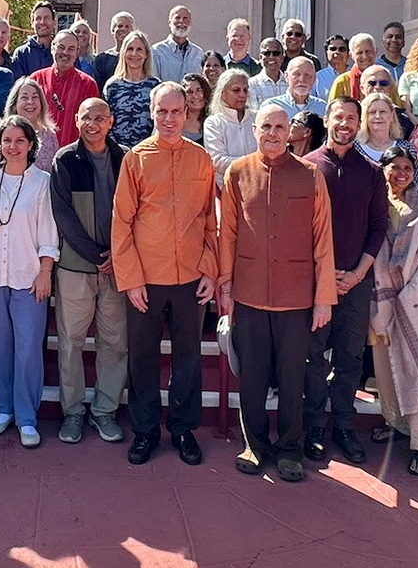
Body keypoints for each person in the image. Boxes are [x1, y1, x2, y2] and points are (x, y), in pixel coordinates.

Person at [218, 102, 336, 481]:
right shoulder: (238, 172)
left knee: (291, 378)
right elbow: (228, 233)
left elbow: (323, 240)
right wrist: (225, 286)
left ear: (290, 133)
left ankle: (289, 449)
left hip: (296, 297)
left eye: (280, 127)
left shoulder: (310, 175)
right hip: (249, 293)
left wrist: (323, 299)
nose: (272, 134)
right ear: (254, 130)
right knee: (252, 378)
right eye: (266, 126)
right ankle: (254, 445)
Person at [112, 83, 219, 466]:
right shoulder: (135, 160)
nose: (169, 119)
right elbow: (121, 222)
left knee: (187, 357)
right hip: (147, 278)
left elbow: (209, 220)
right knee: (142, 358)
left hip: (190, 277)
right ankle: (145, 432)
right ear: (151, 112)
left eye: (176, 112)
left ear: (187, 113)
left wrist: (210, 269)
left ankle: (183, 429)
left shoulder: (201, 159)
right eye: (162, 111)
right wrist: (131, 279)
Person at [302, 96, 389, 465]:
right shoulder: (306, 166)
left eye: (352, 118)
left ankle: (343, 424)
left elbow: (378, 227)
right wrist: (320, 276)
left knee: (349, 357)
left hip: (355, 280)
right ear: (327, 119)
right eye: (339, 116)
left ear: (359, 124)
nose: (345, 123)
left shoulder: (371, 171)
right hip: (313, 282)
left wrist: (357, 273)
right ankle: (313, 426)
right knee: (312, 356)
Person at [0, 116, 60, 448]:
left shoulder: (42, 181)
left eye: (19, 140)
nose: (13, 146)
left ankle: (26, 417)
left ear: (30, 144)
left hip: (28, 278)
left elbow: (48, 231)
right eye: (7, 140)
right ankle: (3, 409)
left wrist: (45, 271)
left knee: (27, 349)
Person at [50, 97, 129, 445]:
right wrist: (97, 255)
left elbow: (136, 210)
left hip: (118, 267)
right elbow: (63, 215)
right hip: (76, 267)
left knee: (115, 342)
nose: (93, 125)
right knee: (71, 342)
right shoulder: (65, 159)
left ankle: (104, 411)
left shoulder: (125, 158)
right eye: (86, 118)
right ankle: (72, 412)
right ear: (77, 121)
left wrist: (117, 253)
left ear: (110, 121)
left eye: (99, 118)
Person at [366, 143, 418, 474]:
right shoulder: (375, 202)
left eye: (407, 168)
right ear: (383, 169)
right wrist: (383, 296)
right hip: (380, 297)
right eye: (394, 166)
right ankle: (395, 423)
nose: (400, 173)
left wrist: (407, 295)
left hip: (416, 300)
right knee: (385, 367)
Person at [35, 31, 99, 146]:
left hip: (72, 152)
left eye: (71, 49)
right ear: (52, 48)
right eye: (61, 47)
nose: (65, 52)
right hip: (39, 150)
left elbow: (92, 123)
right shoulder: (36, 79)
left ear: (77, 52)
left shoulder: (87, 84)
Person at [103, 30, 158, 149]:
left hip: (148, 150)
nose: (134, 54)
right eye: (130, 49)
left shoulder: (155, 86)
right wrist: (117, 149)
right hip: (117, 152)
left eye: (139, 50)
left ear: (146, 54)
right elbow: (106, 121)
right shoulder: (112, 86)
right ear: (123, 53)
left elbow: (159, 122)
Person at [204, 70, 257, 185]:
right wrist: (253, 163)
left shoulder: (257, 118)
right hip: (227, 187)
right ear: (223, 93)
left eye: (245, 90)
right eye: (236, 90)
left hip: (258, 184)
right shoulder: (214, 123)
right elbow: (218, 160)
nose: (242, 95)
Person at [6, 75, 60, 169]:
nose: (30, 102)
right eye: (24, 98)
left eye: (35, 97)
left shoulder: (50, 135)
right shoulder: (5, 134)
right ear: (14, 105)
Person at [150, 5, 205, 82]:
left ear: (190, 22)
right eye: (177, 18)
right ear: (169, 23)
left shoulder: (198, 53)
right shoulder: (157, 51)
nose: (181, 21)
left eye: (185, 18)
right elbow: (154, 82)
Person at [8, 0, 59, 78]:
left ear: (54, 23)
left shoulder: (61, 51)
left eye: (47, 18)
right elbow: (18, 83)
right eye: (38, 18)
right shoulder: (21, 54)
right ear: (32, 23)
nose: (42, 22)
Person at [326, 33, 380, 103]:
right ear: (351, 55)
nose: (364, 56)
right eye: (359, 53)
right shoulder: (342, 82)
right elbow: (333, 108)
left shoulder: (385, 78)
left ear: (376, 51)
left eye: (368, 51)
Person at [355, 90, 403, 164]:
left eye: (383, 112)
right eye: (372, 112)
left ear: (392, 116)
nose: (378, 116)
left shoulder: (405, 148)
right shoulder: (354, 148)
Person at [93, 11, 136, 88]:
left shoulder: (137, 58)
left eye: (127, 26)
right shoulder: (102, 59)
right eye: (120, 26)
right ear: (113, 30)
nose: (123, 29)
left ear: (133, 31)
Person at [246, 38, 289, 108]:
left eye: (275, 53)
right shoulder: (252, 84)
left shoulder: (290, 82)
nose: (271, 57)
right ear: (260, 58)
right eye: (266, 53)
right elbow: (253, 111)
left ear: (282, 58)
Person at [313, 37, 351, 101]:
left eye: (342, 49)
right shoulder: (316, 78)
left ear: (348, 54)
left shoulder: (356, 75)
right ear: (326, 53)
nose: (337, 52)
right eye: (333, 49)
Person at [179, 73, 212, 144]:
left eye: (199, 90)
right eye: (189, 92)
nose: (194, 96)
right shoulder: (175, 119)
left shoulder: (213, 122)